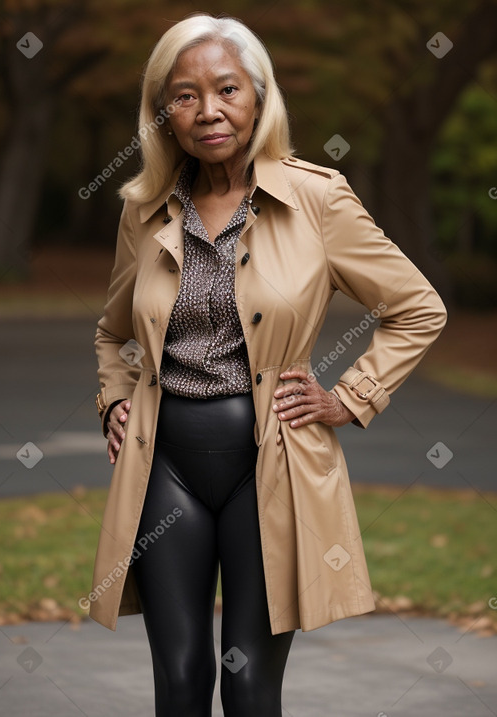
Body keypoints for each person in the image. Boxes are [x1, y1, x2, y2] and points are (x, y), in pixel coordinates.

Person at [89, 12, 447, 716]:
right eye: (185, 95)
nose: (209, 110)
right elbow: (112, 332)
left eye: (227, 88)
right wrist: (112, 398)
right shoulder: (146, 208)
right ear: (164, 113)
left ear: (259, 95)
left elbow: (417, 306)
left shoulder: (317, 197)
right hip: (165, 465)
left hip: (272, 464)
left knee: (250, 685)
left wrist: (348, 397)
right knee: (181, 680)